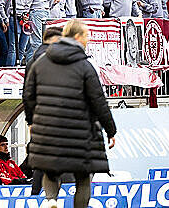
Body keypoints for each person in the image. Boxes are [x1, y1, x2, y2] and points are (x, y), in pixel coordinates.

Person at [22, 19, 115, 208]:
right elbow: (98, 101)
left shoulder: (40, 63)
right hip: (79, 131)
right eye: (87, 36)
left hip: (46, 129)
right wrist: (111, 130)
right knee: (83, 177)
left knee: (50, 171)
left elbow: (28, 95)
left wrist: (32, 121)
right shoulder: (85, 65)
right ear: (78, 37)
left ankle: (51, 200)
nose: (88, 40)